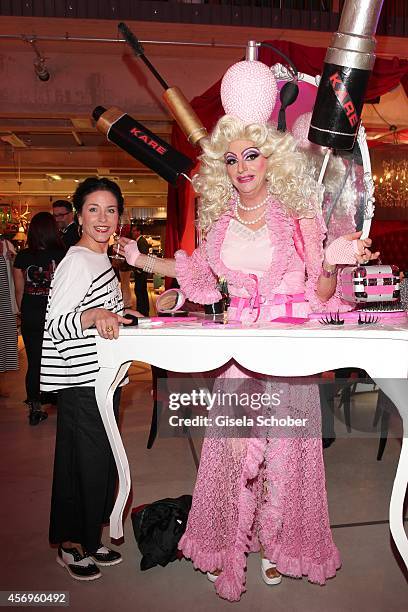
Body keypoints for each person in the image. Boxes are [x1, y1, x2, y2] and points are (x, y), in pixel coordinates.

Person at [120, 59, 379, 601]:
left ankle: (280, 546)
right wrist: (144, 263)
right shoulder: (219, 221)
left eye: (252, 154)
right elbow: (198, 274)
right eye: (232, 157)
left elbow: (322, 288)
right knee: (234, 453)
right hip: (240, 353)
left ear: (271, 157)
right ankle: (227, 544)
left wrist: (335, 261)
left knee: (288, 455)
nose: (242, 166)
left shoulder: (299, 214)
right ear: (222, 164)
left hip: (287, 352)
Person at [41, 177, 137, 581]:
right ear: (79, 215)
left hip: (102, 378)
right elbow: (55, 325)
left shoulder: (100, 258)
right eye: (93, 209)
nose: (103, 218)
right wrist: (93, 317)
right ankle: (70, 544)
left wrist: (123, 316)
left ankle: (90, 535)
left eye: (110, 210)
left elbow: (105, 311)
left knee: (100, 464)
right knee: (80, 465)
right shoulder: (77, 261)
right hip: (81, 383)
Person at [13, 212, 65, 425]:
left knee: (34, 361)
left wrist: (21, 311)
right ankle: (58, 399)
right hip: (56, 314)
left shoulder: (23, 256)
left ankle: (35, 406)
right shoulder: (64, 254)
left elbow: (19, 290)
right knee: (60, 358)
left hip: (31, 313)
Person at [0, 237, 18, 393]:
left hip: (5, 300)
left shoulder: (6, 245)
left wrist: (12, 260)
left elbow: (16, 272)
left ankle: (1, 381)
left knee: (5, 340)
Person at [130, 224, 150, 316]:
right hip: (141, 270)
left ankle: (142, 310)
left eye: (134, 231)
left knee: (140, 290)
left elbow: (142, 257)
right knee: (140, 290)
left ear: (139, 232)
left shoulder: (141, 241)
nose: (132, 233)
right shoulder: (139, 241)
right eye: (132, 231)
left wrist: (139, 270)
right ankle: (142, 309)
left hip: (141, 271)